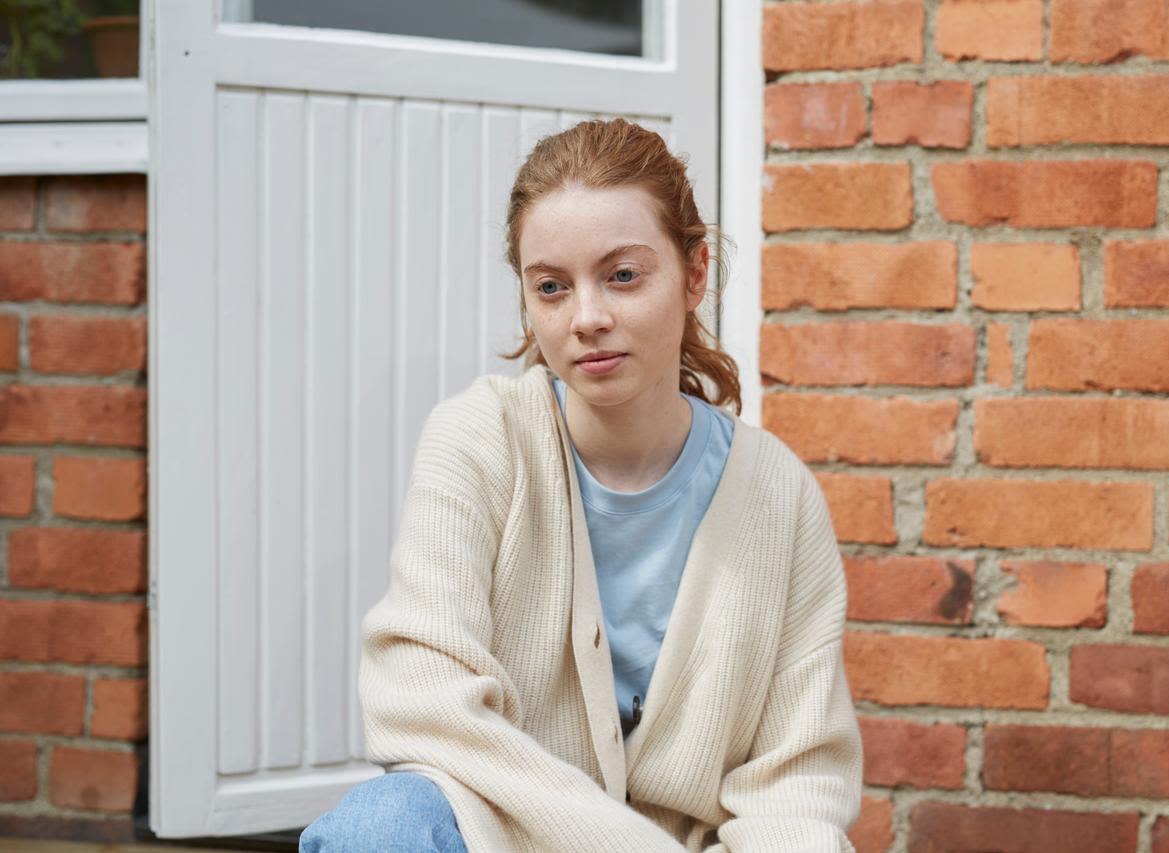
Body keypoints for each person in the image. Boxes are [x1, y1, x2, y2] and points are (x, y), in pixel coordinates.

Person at [300, 118, 862, 852]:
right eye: (552, 287)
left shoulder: (777, 495)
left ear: (695, 274)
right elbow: (425, 704)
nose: (586, 318)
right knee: (382, 826)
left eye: (622, 275)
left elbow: (797, 781)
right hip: (507, 836)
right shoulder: (480, 439)